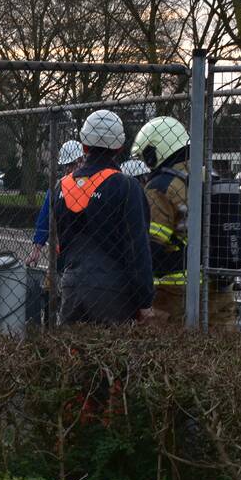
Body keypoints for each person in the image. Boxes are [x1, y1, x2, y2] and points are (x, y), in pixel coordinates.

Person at [130, 116, 237, 329]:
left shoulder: (160, 186)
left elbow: (152, 248)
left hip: (175, 297)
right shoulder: (210, 175)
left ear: (155, 151)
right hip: (219, 289)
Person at [54, 110, 154, 324]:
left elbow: (60, 244)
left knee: (70, 353)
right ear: (119, 146)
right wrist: (144, 300)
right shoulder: (127, 186)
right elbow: (137, 248)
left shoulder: (62, 187)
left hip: (71, 284)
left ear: (84, 144)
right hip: (113, 291)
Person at [25, 139, 85, 268]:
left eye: (72, 164)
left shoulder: (92, 185)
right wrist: (36, 249)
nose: (68, 169)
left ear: (81, 161)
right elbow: (45, 218)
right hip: (64, 253)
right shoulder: (58, 187)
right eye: (66, 165)